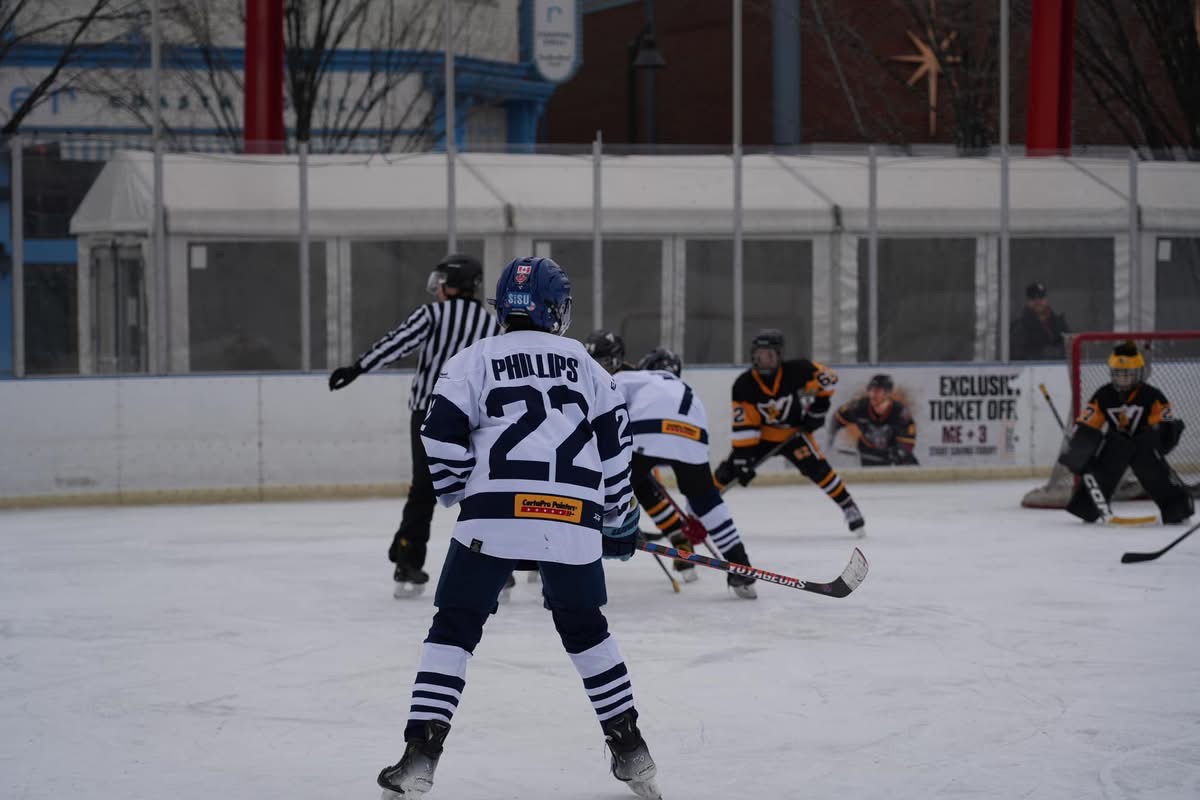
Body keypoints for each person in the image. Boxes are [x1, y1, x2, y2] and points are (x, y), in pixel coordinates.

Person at [376, 256, 661, 800]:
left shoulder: (472, 359)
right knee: (587, 631)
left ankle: (420, 757)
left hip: (493, 515)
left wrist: (459, 488)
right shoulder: (588, 364)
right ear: (557, 310)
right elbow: (617, 449)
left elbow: (437, 436)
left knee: (454, 628)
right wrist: (618, 517)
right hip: (573, 519)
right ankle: (632, 751)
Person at [327, 254, 502, 598]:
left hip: (429, 413)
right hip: (473, 418)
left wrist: (358, 367)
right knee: (478, 489)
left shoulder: (433, 314)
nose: (437, 289)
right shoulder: (490, 323)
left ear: (452, 285)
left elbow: (398, 342)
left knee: (423, 490)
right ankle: (495, 563)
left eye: (441, 282)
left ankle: (407, 559)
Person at [584, 334, 757, 598]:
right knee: (706, 501)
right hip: (691, 435)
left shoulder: (631, 377)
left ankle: (582, 554)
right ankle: (740, 566)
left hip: (646, 430)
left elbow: (604, 408)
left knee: (605, 488)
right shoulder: (687, 389)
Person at [713, 328, 866, 537]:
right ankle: (700, 509)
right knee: (728, 471)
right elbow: (745, 425)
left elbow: (830, 379)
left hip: (793, 434)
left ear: (780, 356)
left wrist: (818, 410)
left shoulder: (798, 370)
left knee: (818, 469)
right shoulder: (744, 385)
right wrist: (742, 461)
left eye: (769, 356)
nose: (763, 361)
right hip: (761, 437)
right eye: (759, 356)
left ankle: (849, 506)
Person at [1058, 340, 1193, 525]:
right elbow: (1089, 424)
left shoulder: (1153, 395)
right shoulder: (1103, 394)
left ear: (1138, 374)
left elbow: (1165, 427)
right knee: (1106, 460)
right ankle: (1086, 508)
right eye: (1118, 374)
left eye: (1127, 375)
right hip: (1116, 444)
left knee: (1152, 467)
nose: (1122, 379)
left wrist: (1159, 436)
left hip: (1144, 445)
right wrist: (1078, 448)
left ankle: (1178, 508)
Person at [829, 373, 918, 467]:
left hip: (895, 457)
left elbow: (908, 441)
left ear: (888, 393)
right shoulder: (859, 406)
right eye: (871, 390)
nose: (873, 394)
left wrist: (898, 453)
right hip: (868, 454)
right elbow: (838, 417)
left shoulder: (900, 413)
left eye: (878, 391)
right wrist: (831, 438)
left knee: (912, 471)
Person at [1010, 282, 1070, 361]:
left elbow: (1071, 349)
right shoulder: (1019, 326)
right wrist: (1043, 353)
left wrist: (1056, 352)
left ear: (1047, 299)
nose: (1037, 301)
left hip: (1060, 371)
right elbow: (1017, 355)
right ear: (1027, 301)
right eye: (1033, 298)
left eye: (1041, 297)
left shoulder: (1059, 323)